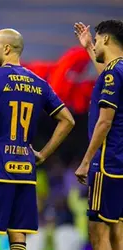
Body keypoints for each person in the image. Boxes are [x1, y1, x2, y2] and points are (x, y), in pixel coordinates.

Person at [0, 29, 75, 250]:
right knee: (18, 239)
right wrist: (43, 154)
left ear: (6, 48)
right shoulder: (39, 83)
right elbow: (68, 120)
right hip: (25, 171)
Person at [74, 20, 123, 250]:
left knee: (98, 230)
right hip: (120, 163)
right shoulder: (118, 71)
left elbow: (104, 122)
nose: (93, 45)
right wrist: (86, 48)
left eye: (95, 41)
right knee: (118, 232)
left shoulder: (113, 73)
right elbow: (107, 76)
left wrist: (86, 161)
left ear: (105, 38)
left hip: (107, 163)